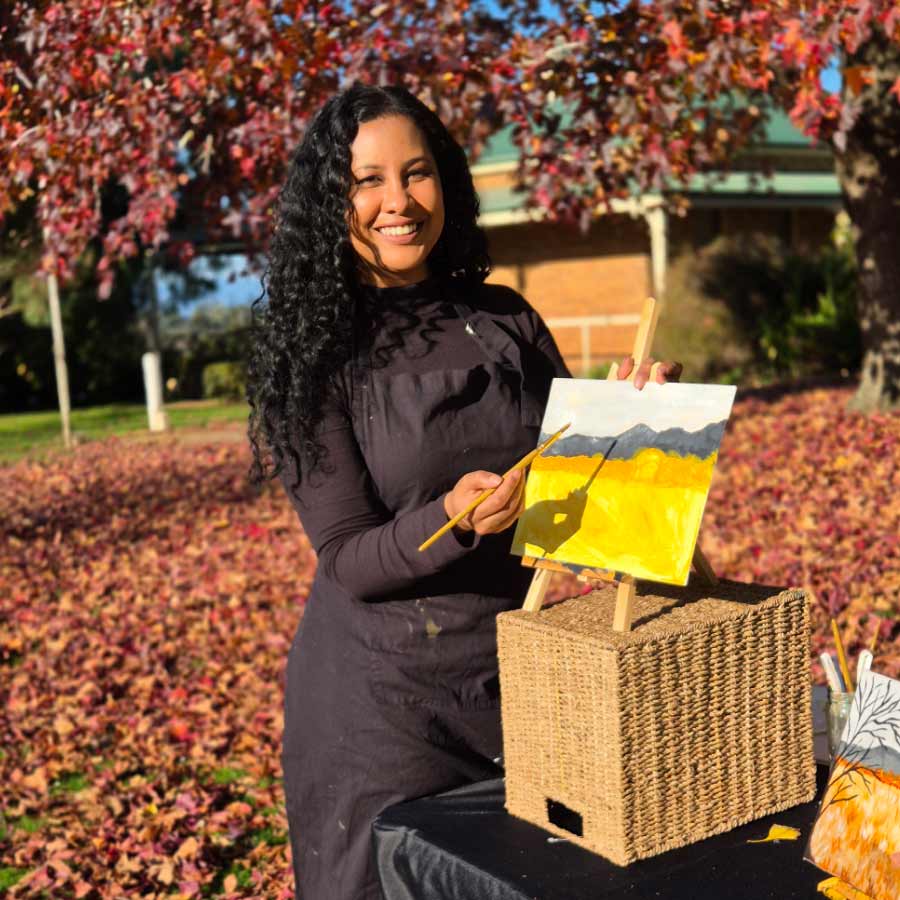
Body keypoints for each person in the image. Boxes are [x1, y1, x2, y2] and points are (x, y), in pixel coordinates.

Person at [247, 82, 681, 900]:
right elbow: (348, 559)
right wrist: (449, 518)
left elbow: (576, 493)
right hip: (381, 717)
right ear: (331, 202)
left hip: (522, 689)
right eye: (366, 181)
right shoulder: (312, 351)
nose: (397, 201)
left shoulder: (504, 317)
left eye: (416, 173)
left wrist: (636, 422)